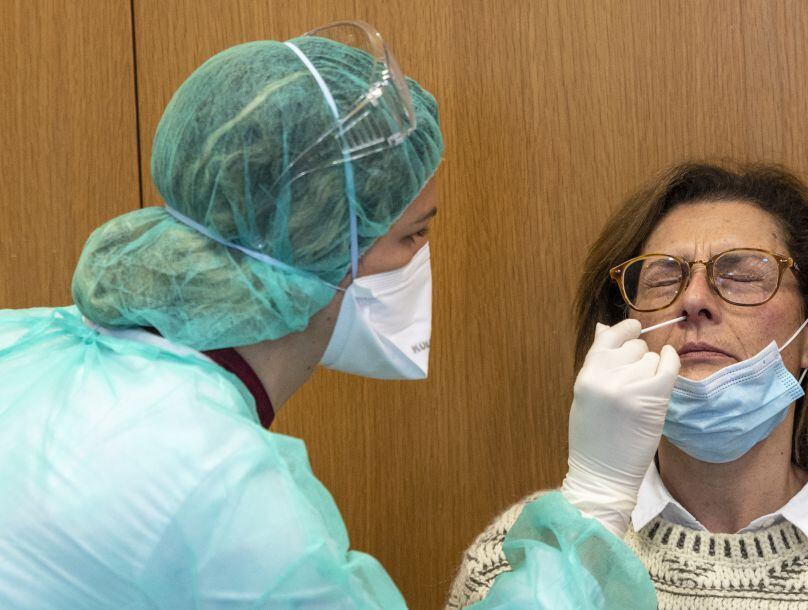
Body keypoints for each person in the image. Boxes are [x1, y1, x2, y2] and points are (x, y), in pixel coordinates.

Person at [0, 21, 677, 608]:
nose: (422, 263)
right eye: (412, 235)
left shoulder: (22, 343)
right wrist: (595, 499)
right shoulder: (226, 493)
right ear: (320, 251)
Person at [449, 162, 808, 609]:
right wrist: (591, 512)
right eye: (664, 276)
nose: (694, 301)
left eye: (742, 275)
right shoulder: (518, 558)